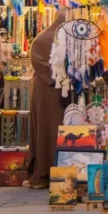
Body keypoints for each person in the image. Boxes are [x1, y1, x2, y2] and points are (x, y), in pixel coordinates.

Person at [23, 10, 67, 188]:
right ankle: (59, 173)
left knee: (44, 130)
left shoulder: (41, 39)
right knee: (58, 131)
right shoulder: (68, 38)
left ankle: (42, 173)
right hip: (61, 93)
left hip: (46, 92)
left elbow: (39, 63)